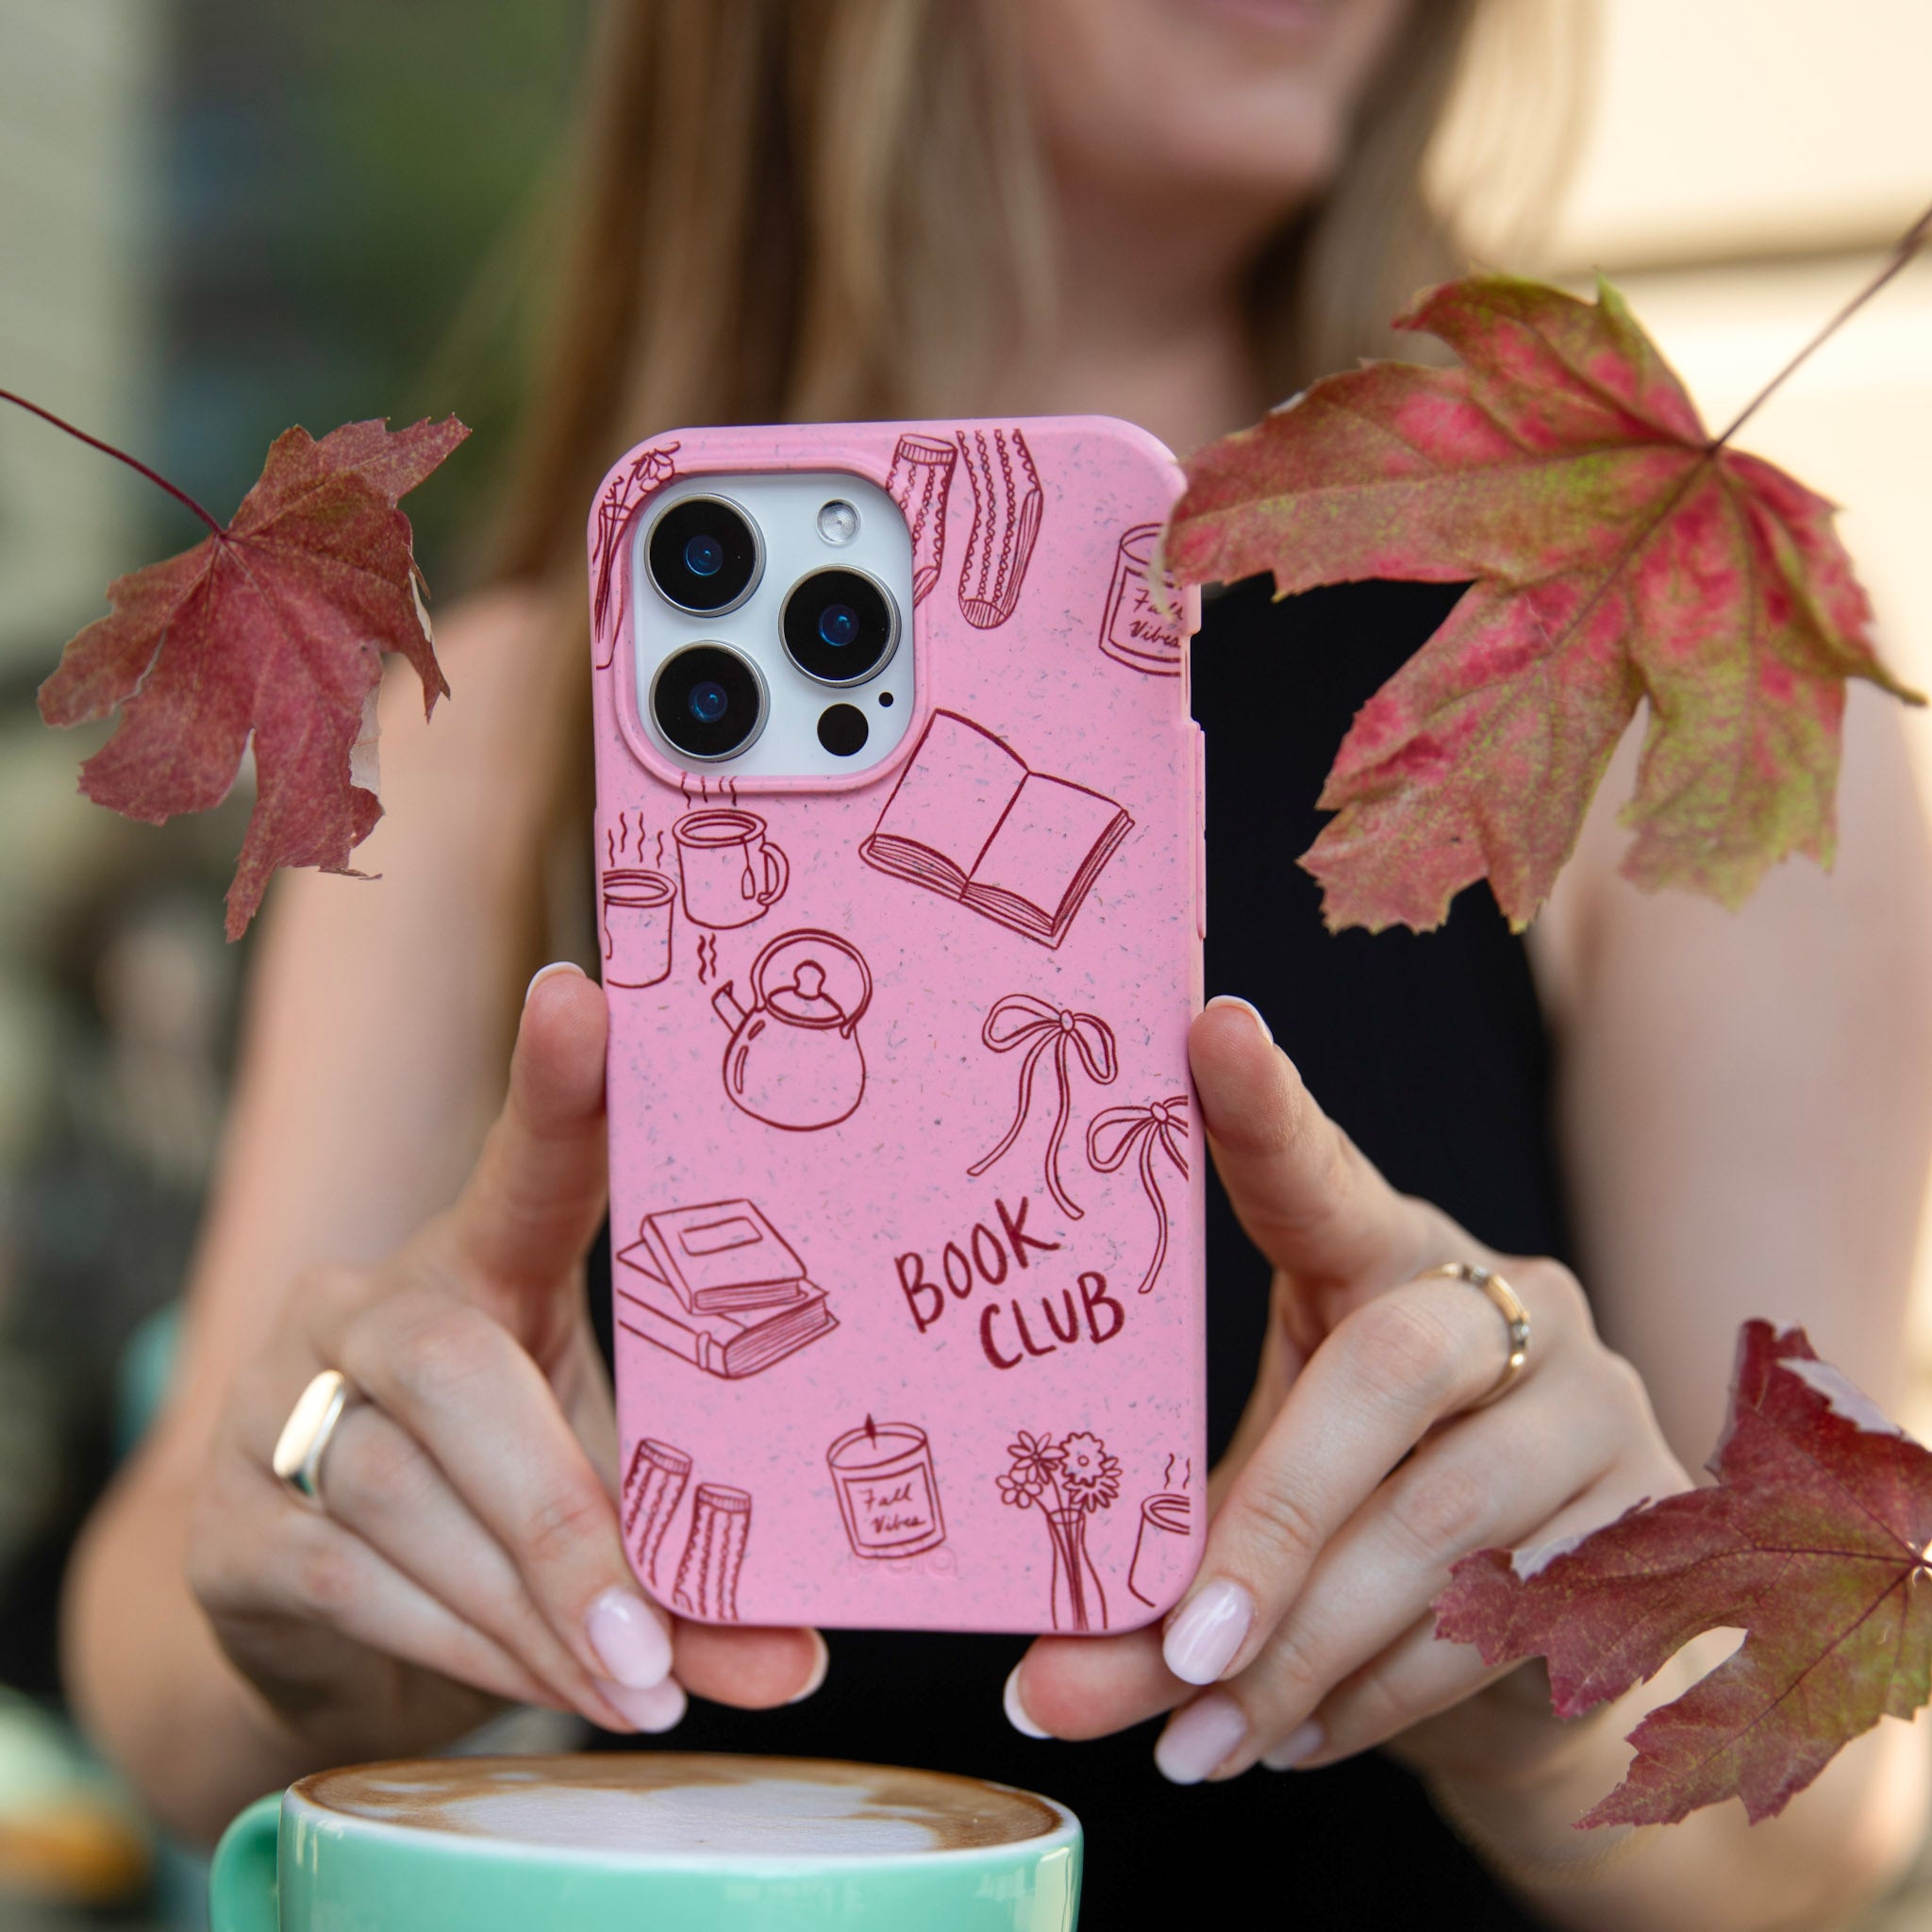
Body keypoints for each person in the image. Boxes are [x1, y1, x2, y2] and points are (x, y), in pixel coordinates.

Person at [63, 2, 1932, 1924]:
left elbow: (1839, 1805)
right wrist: (315, 1581)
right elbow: (161, 1659)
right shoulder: (497, 736)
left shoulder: (1674, 685)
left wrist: (1565, 1721)